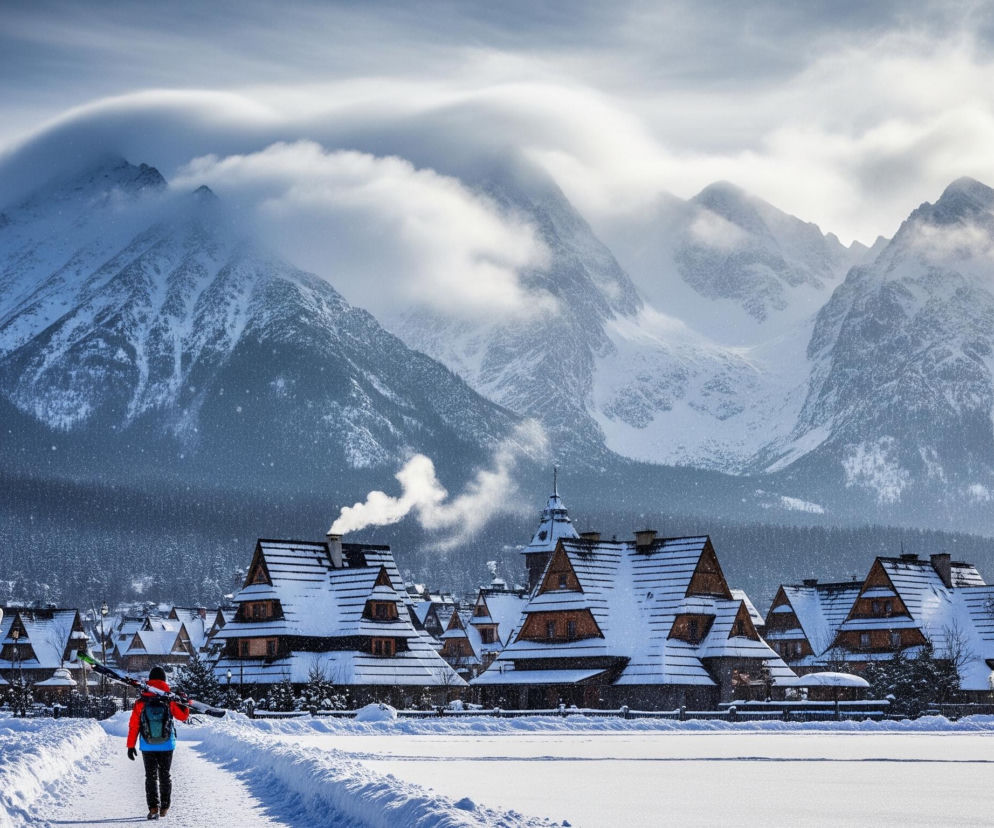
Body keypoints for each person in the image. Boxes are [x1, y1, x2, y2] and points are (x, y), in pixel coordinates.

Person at [127, 666, 190, 820]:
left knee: (150, 776)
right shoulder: (169, 699)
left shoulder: (141, 702)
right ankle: (165, 807)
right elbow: (182, 717)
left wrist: (130, 745)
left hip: (147, 744)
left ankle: (153, 808)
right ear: (164, 680)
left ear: (150, 680)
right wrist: (184, 700)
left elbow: (134, 725)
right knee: (165, 775)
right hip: (167, 744)